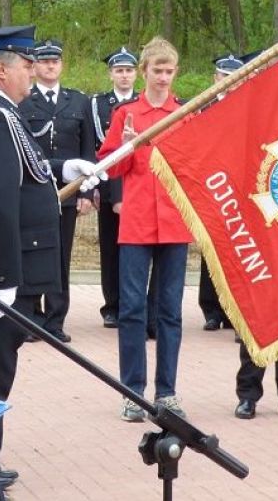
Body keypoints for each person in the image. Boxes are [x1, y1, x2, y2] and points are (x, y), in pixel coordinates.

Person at [0, 25, 99, 499]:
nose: (33, 71)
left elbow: (18, 174)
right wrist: (7, 279)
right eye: (26, 64)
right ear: (4, 69)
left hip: (1, 268)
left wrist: (59, 169)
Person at [99, 36, 193, 422]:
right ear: (144, 71)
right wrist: (123, 148)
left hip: (174, 224)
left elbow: (195, 167)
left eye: (169, 71)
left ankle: (167, 391)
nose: (163, 78)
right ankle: (132, 391)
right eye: (157, 70)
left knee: (170, 311)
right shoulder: (127, 114)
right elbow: (109, 167)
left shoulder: (185, 112)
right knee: (133, 309)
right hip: (136, 224)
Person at [19, 39, 96, 343]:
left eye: (55, 61)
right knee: (34, 251)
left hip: (68, 192)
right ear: (35, 66)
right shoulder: (24, 100)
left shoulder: (77, 101)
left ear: (62, 65)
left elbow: (87, 149)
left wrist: (88, 193)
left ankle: (55, 320)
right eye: (44, 61)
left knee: (61, 256)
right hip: (35, 190)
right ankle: (32, 318)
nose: (50, 66)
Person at [91, 46, 140, 328]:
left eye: (129, 70)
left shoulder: (141, 103)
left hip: (135, 182)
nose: (124, 75)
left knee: (135, 247)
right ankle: (111, 305)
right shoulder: (97, 104)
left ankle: (133, 302)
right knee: (110, 247)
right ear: (111, 74)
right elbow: (96, 147)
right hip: (109, 181)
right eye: (119, 70)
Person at [199, 52, 245, 331]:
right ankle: (212, 310)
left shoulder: (251, 109)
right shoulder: (202, 109)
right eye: (223, 77)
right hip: (211, 188)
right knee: (212, 250)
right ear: (215, 78)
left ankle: (234, 310)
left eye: (234, 78)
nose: (228, 83)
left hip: (240, 190)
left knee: (238, 252)